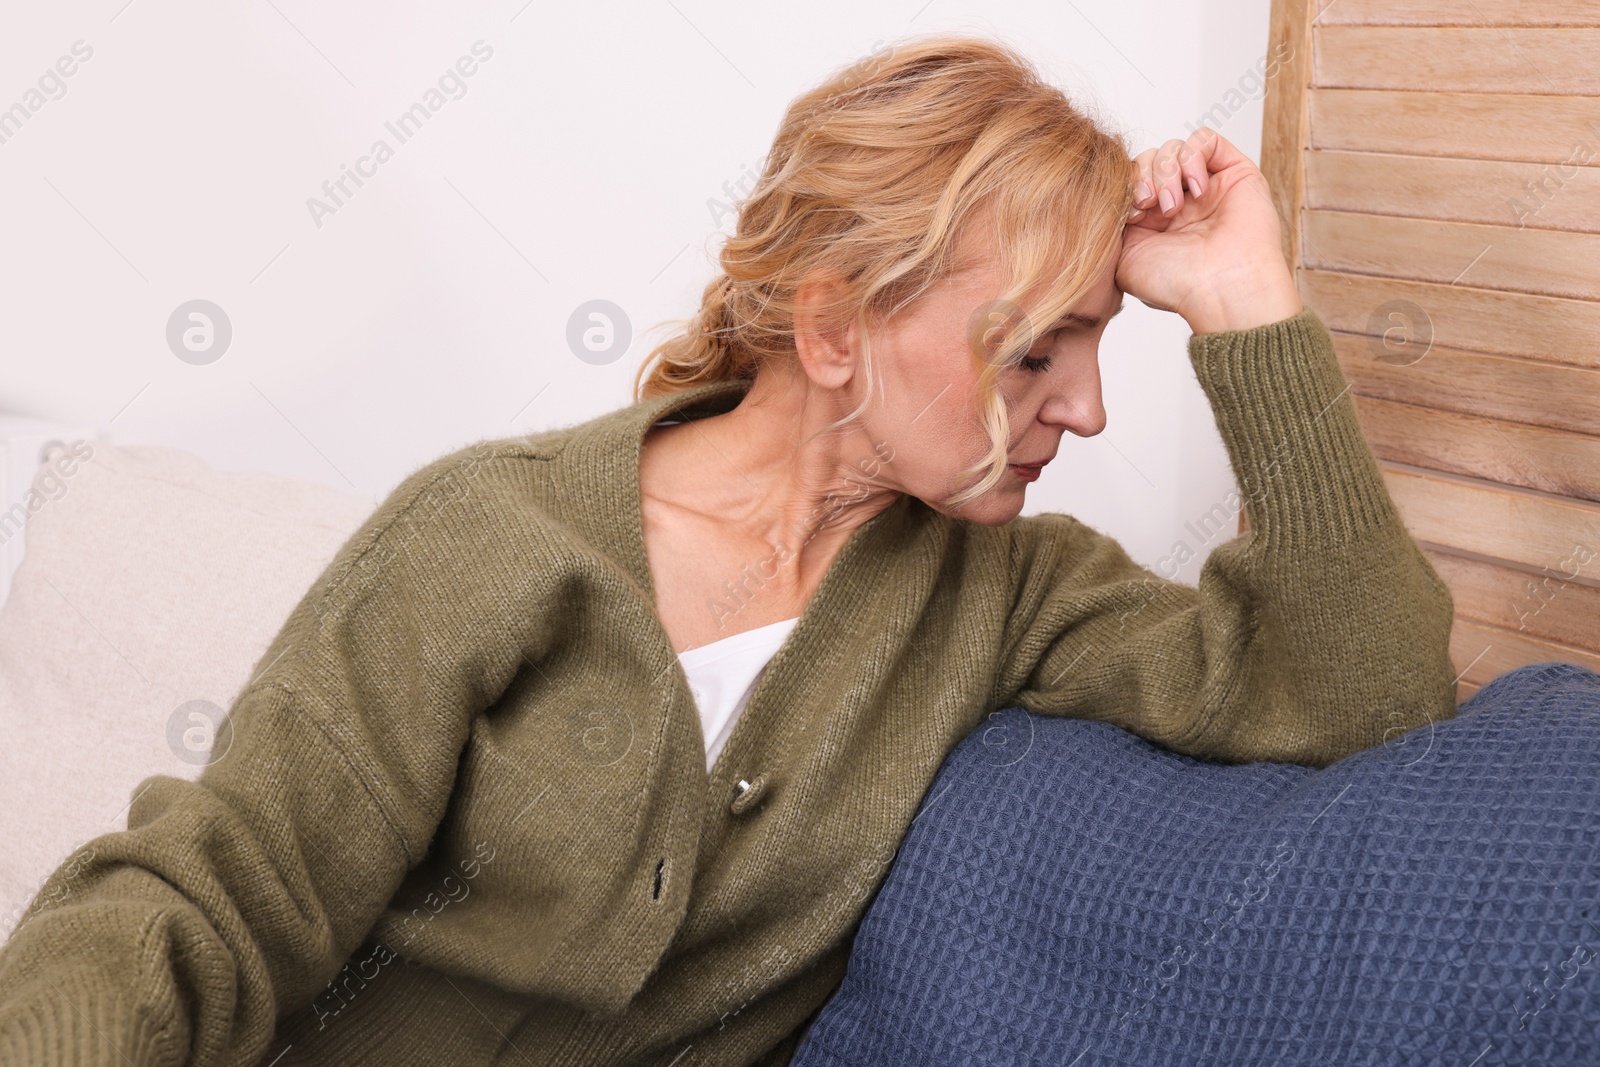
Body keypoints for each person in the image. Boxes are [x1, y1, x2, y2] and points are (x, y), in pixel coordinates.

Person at [0, 32, 1457, 1067]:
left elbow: (1368, 690)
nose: (1081, 409)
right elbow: (215, 896)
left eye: (1099, 343)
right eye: (1033, 353)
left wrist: (1245, 302)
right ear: (833, 330)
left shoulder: (1015, 593)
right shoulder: (489, 539)